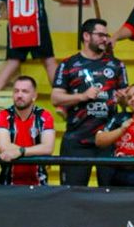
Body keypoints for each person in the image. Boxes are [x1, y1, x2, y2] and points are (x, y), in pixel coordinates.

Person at [50, 16, 128, 184]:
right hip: (77, 139)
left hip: (109, 138)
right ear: (86, 36)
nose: (105, 39)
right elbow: (55, 98)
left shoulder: (116, 65)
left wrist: (122, 100)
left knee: (111, 195)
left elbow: (126, 104)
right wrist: (82, 96)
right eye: (100, 35)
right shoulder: (68, 64)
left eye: (106, 36)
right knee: (72, 194)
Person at [0, 75, 58, 185]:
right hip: (7, 183)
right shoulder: (3, 115)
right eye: (16, 91)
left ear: (34, 96)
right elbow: (4, 146)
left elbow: (48, 148)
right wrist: (34, 150)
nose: (19, 95)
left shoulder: (44, 116)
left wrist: (20, 152)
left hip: (39, 184)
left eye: (25, 91)